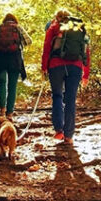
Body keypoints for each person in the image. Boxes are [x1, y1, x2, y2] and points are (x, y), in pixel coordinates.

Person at [42, 8, 90, 144]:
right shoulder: (79, 28)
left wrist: (44, 67)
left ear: (56, 17)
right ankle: (69, 136)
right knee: (71, 100)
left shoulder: (53, 27)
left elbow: (46, 48)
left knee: (57, 96)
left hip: (56, 66)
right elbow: (86, 50)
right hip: (75, 66)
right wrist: (86, 73)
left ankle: (59, 131)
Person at [0, 13, 30, 118]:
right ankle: (10, 113)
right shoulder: (18, 27)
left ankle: (2, 110)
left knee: (2, 83)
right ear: (14, 20)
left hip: (1, 58)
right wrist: (18, 44)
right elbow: (29, 41)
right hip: (14, 59)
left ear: (4, 20)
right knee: (12, 86)